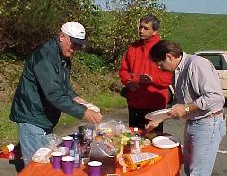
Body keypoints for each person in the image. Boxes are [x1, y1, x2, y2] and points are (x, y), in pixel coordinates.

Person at [147, 40, 226, 176]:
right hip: (194, 123)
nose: (159, 68)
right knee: (192, 170)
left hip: (208, 123)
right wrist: (158, 119)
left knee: (198, 175)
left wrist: (187, 108)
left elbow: (216, 97)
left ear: (170, 57)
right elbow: (178, 105)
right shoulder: (179, 70)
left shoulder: (196, 65)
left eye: (160, 63)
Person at [10, 21, 102, 165]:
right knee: (35, 168)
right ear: (61, 36)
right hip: (32, 117)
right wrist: (84, 113)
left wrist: (76, 98)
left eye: (79, 46)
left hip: (45, 118)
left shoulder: (63, 57)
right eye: (73, 44)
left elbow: (63, 87)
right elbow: (54, 94)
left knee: (45, 162)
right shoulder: (45, 56)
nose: (75, 49)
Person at [119, 14, 172, 130]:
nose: (141, 31)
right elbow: (123, 70)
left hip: (155, 104)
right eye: (140, 27)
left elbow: (169, 77)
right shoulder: (133, 47)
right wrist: (128, 82)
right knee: (134, 138)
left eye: (146, 28)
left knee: (154, 139)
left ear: (155, 31)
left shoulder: (163, 48)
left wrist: (152, 79)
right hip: (135, 102)